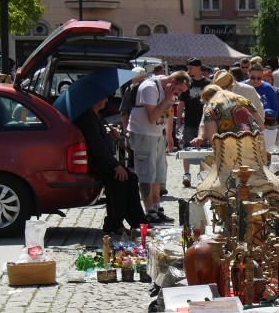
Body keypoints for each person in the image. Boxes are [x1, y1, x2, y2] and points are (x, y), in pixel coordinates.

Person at [74, 98, 147, 235]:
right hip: (95, 160)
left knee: (131, 177)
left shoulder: (96, 115)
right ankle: (114, 223)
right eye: (104, 97)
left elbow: (101, 141)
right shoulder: (87, 118)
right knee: (119, 179)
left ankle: (138, 221)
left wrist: (111, 136)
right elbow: (97, 147)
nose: (107, 100)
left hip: (102, 158)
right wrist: (115, 165)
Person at [129, 70, 190, 224]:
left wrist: (169, 136)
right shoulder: (150, 88)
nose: (179, 93)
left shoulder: (170, 90)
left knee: (158, 175)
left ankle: (157, 209)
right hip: (143, 133)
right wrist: (168, 98)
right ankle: (148, 210)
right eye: (180, 89)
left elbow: (169, 113)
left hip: (157, 135)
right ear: (174, 80)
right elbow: (152, 118)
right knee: (146, 174)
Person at [190, 84, 262, 145]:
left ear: (208, 98)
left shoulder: (210, 108)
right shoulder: (241, 99)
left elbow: (214, 138)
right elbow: (261, 125)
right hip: (254, 143)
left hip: (231, 147)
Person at [179, 58, 211, 187]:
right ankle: (186, 174)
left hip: (204, 122)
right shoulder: (187, 83)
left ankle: (201, 175)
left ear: (198, 67)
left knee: (204, 150)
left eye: (191, 68)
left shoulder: (208, 83)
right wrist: (178, 122)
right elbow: (182, 102)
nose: (189, 70)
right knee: (187, 148)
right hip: (189, 121)